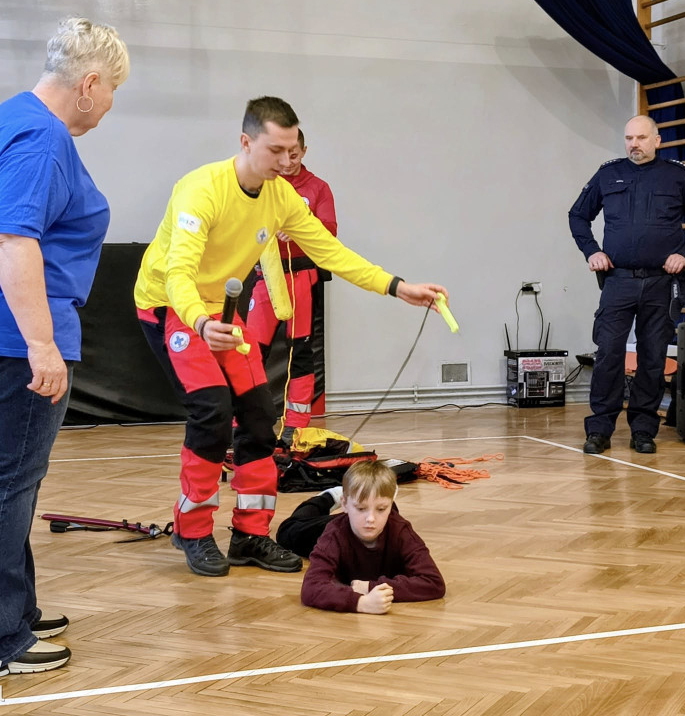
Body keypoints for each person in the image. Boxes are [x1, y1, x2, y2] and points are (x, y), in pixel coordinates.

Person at [134, 96, 449, 578]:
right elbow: (178, 272)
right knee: (212, 415)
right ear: (246, 142)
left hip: (218, 309)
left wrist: (397, 286)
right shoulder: (201, 189)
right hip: (172, 308)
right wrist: (199, 323)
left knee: (260, 419)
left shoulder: (280, 197)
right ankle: (192, 531)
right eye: (276, 150)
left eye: (292, 150)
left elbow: (330, 251)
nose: (287, 161)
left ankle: (249, 535)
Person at [0, 17, 130, 675]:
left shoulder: (1, 120)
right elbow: (12, 238)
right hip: (7, 336)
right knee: (7, 482)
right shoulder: (41, 138)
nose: (110, 105)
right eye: (113, 90)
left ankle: (13, 609)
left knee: (13, 477)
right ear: (89, 83)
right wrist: (41, 343)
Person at [569, 115, 685, 455]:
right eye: (628, 138)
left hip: (661, 283)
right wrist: (592, 251)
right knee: (608, 354)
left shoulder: (678, 176)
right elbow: (577, 215)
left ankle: (643, 430)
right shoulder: (608, 174)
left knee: (652, 358)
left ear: (657, 140)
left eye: (641, 137)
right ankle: (599, 429)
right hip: (618, 281)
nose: (633, 144)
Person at [247, 128, 336, 447]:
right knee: (249, 351)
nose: (287, 161)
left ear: (304, 151)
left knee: (300, 354)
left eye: (294, 154)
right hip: (266, 278)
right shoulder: (264, 183)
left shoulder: (317, 188)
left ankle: (295, 427)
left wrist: (300, 228)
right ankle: (244, 421)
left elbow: (329, 232)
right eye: (281, 154)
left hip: (302, 277)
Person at [297, 461, 446, 614]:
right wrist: (360, 603)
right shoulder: (333, 534)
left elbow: (434, 582)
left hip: (358, 521)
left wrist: (370, 587)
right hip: (312, 529)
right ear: (345, 504)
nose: (371, 519)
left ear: (390, 505)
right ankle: (326, 497)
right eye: (361, 508)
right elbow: (310, 588)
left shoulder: (401, 530)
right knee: (290, 529)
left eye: (381, 509)